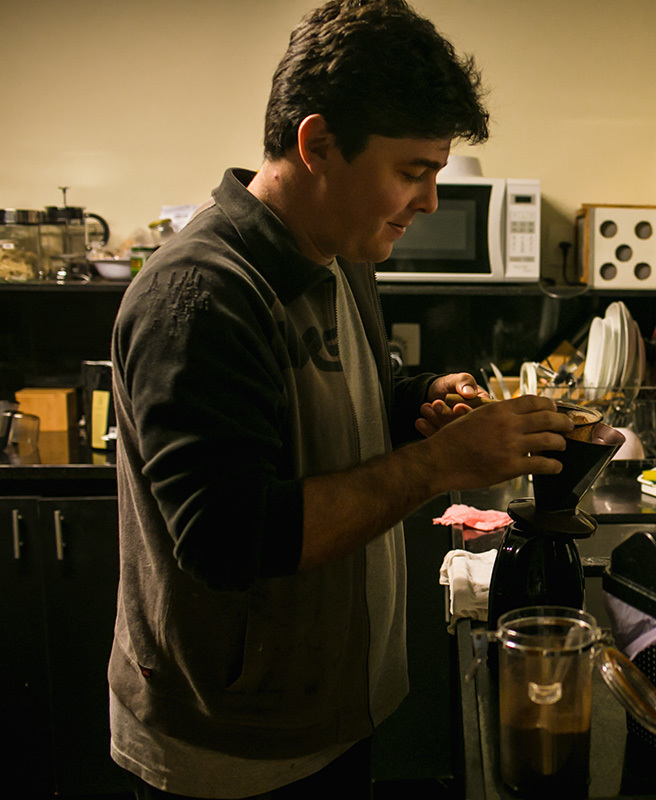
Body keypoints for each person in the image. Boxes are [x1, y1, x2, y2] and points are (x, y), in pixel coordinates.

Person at [106, 2, 573, 797]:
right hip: (230, 749)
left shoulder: (340, 253)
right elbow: (228, 540)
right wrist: (437, 464)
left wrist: (419, 398)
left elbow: (342, 388)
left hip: (332, 712)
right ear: (317, 144)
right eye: (413, 171)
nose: (428, 201)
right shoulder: (199, 298)